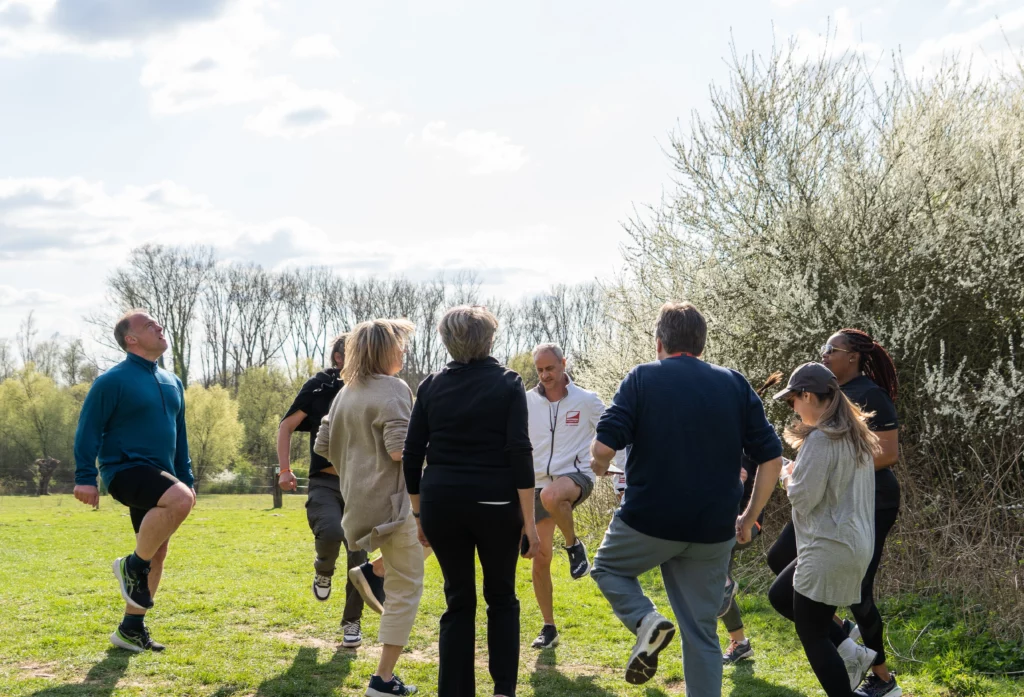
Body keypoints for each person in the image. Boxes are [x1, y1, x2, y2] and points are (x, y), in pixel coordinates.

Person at [589, 301, 784, 691]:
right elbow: (773, 458)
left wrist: (597, 467)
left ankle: (646, 622)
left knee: (608, 568)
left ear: (659, 342)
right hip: (714, 529)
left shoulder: (642, 377)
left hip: (650, 519)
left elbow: (602, 449)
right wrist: (748, 516)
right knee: (702, 634)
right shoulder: (734, 383)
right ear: (701, 344)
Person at [404, 305, 539, 697]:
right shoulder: (509, 382)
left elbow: (413, 456)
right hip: (496, 504)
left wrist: (418, 514)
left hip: (441, 503)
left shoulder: (430, 385)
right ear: (489, 339)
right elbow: (519, 451)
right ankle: (503, 690)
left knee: (458, 599)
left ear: (447, 341)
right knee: (501, 596)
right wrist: (529, 523)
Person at [767, 329, 902, 697]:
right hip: (852, 542)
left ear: (809, 396)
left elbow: (804, 498)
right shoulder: (853, 433)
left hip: (829, 545)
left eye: (794, 400)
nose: (793, 408)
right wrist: (800, 470)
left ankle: (852, 659)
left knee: (811, 635)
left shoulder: (821, 439)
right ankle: (852, 650)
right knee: (781, 594)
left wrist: (784, 474)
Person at [72, 309, 196, 653]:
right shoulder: (113, 381)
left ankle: (130, 629)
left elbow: (179, 437)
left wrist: (186, 478)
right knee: (175, 507)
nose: (159, 326)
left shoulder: (173, 382)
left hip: (162, 477)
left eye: (158, 322)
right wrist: (85, 477)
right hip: (124, 470)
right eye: (149, 325)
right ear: (131, 339)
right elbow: (88, 429)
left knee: (159, 550)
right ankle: (131, 565)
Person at [314, 319, 422, 697]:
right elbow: (399, 451)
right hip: (392, 509)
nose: (404, 352)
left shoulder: (344, 392)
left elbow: (322, 446)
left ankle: (372, 570)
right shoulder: (393, 389)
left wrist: (356, 465)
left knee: (439, 529)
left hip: (355, 508)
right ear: (384, 351)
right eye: (399, 345)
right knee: (407, 589)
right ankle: (383, 679)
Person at [277, 333, 385, 649]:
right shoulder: (320, 385)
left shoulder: (375, 387)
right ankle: (323, 570)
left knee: (358, 554)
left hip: (361, 485)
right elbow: (286, 426)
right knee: (331, 531)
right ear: (339, 357)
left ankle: (352, 623)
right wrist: (284, 469)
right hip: (324, 481)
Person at [525, 342, 605, 649]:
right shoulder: (527, 402)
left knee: (551, 494)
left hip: (575, 478)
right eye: (540, 370)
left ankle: (573, 545)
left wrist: (618, 471)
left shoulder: (586, 400)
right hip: (535, 485)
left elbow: (614, 431)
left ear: (564, 364)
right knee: (541, 556)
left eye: (550, 369)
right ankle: (549, 627)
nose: (545, 375)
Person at [719, 371, 784, 665]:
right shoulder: (718, 434)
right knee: (716, 575)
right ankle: (740, 642)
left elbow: (766, 473)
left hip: (747, 522)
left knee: (714, 573)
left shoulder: (754, 441)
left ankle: (719, 587)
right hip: (718, 521)